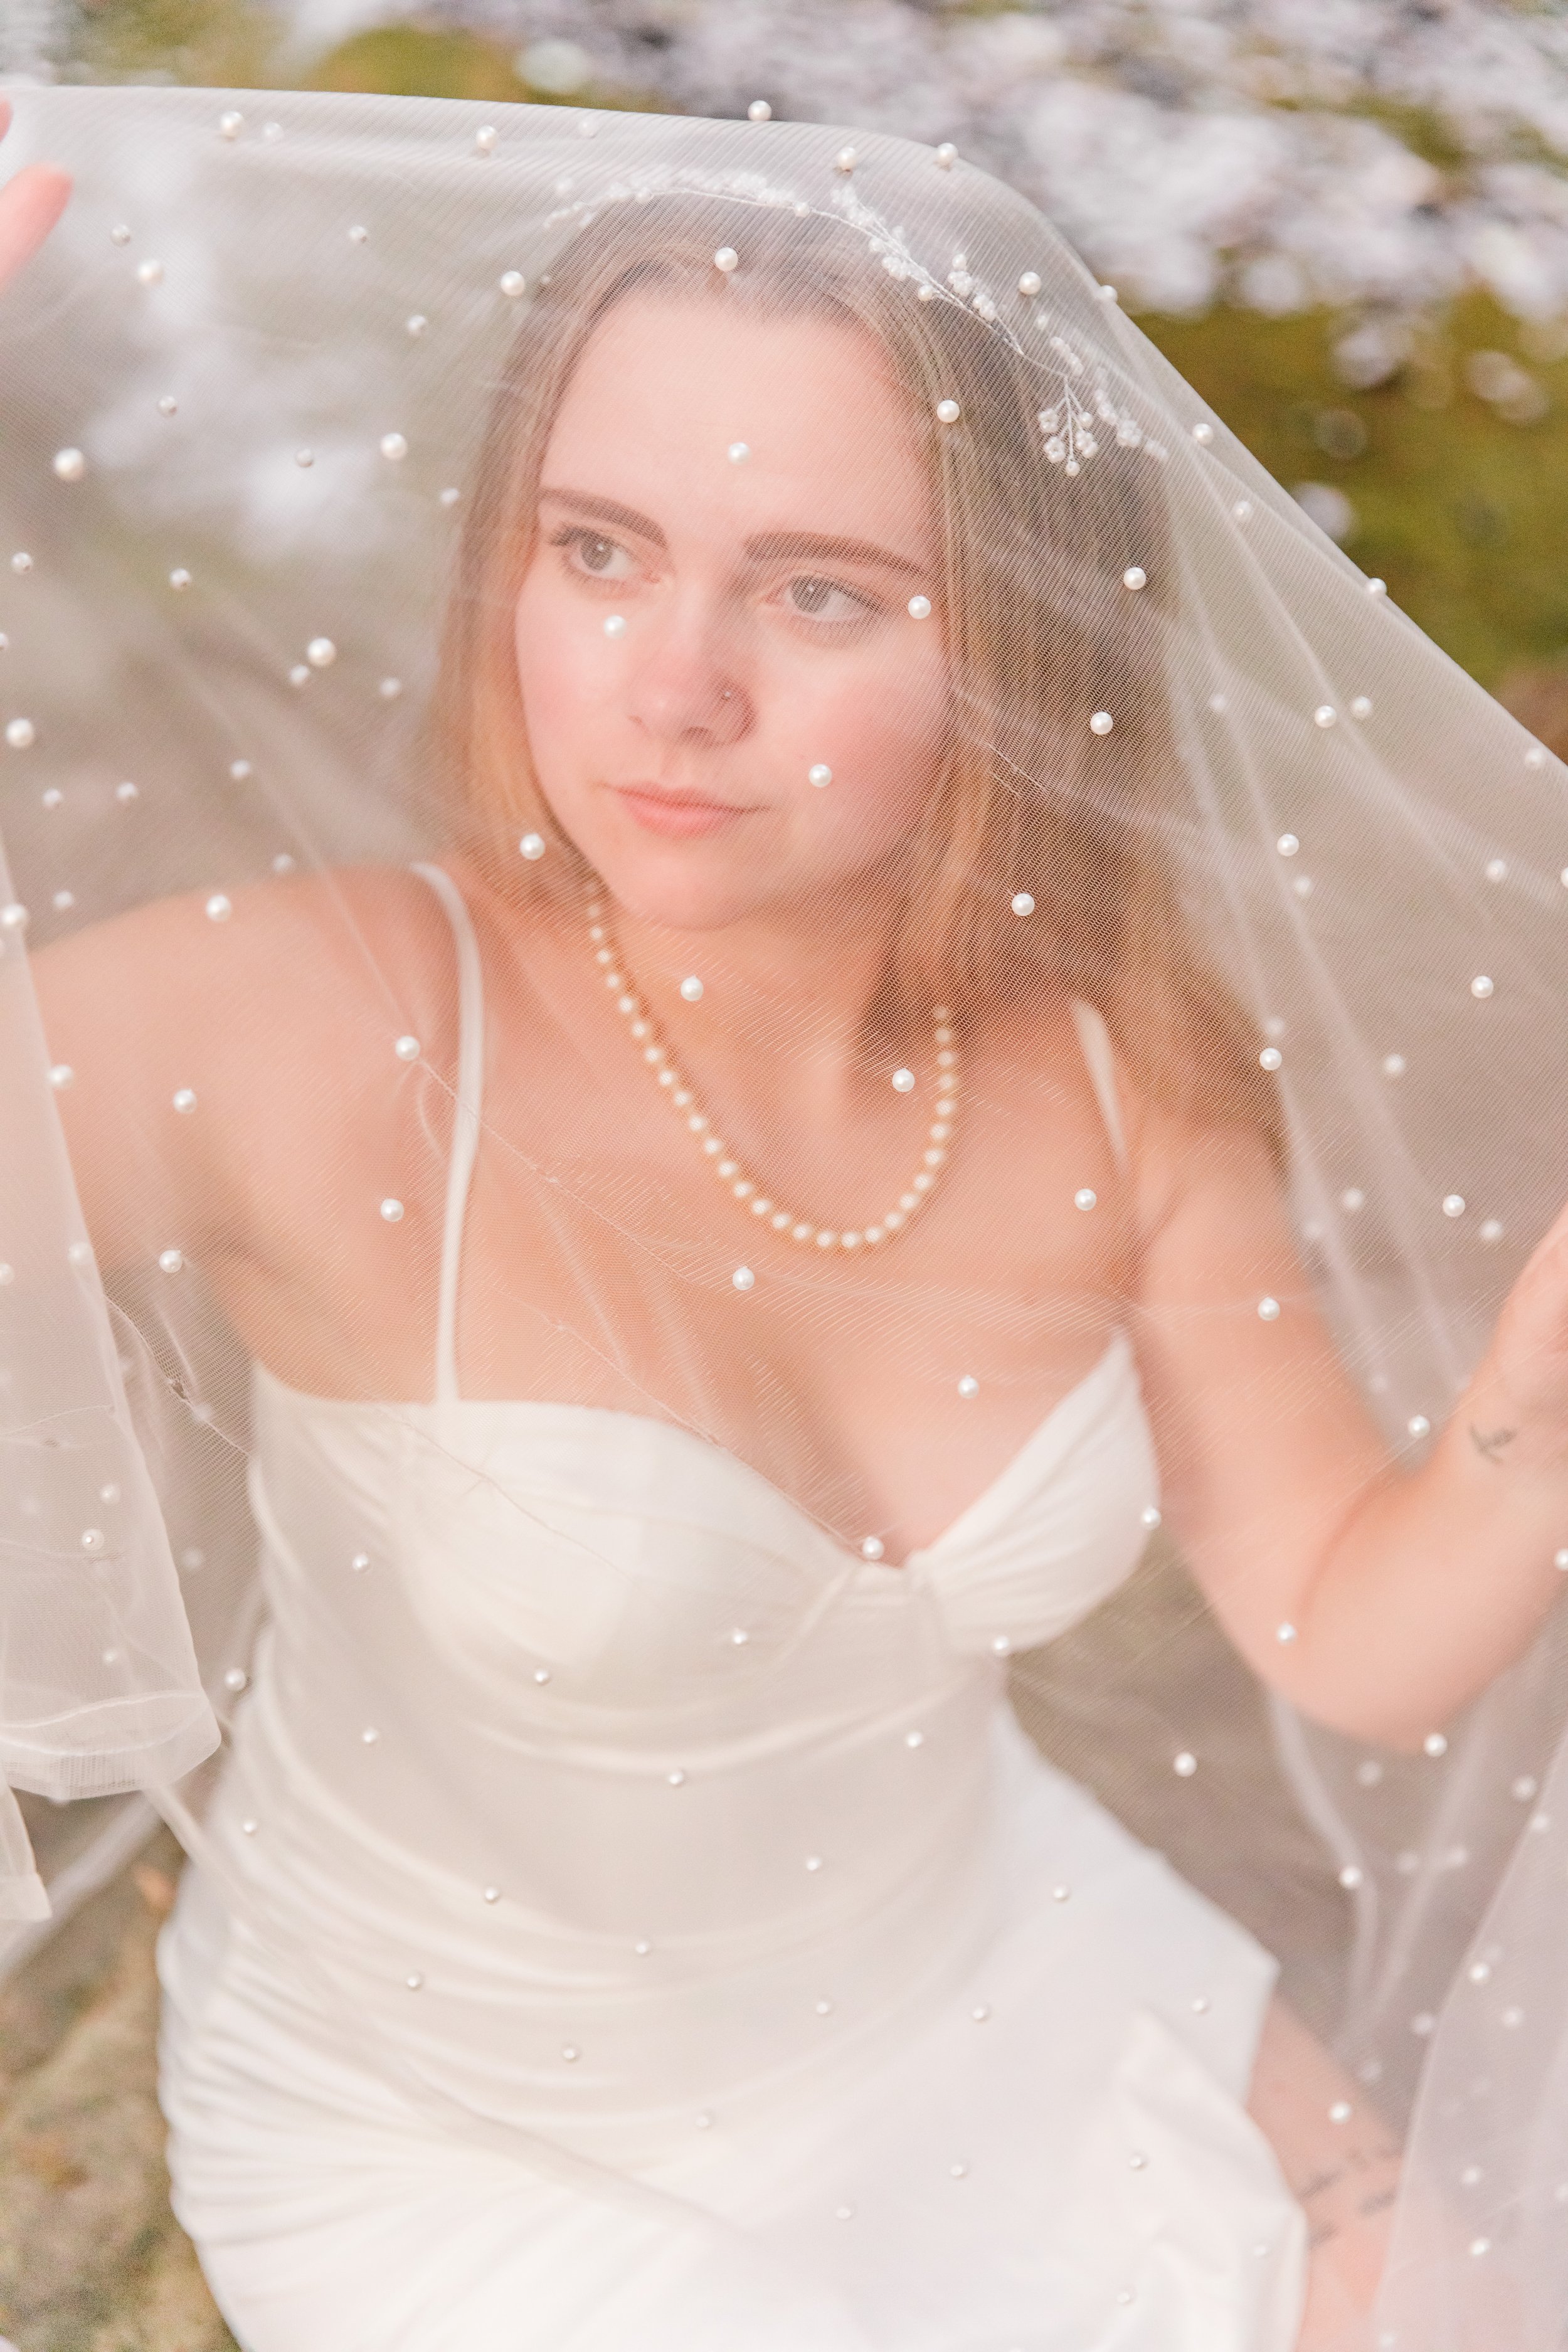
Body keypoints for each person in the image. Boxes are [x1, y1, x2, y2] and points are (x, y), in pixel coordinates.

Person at [1, 87, 1565, 2351]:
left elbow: (1340, 1619)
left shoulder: (1119, 1064)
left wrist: (1526, 1412)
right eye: (600, 552)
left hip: (1006, 1967)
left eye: (817, 592)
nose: (671, 688)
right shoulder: (314, 1025)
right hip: (483, 2144)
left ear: (1014, 647)